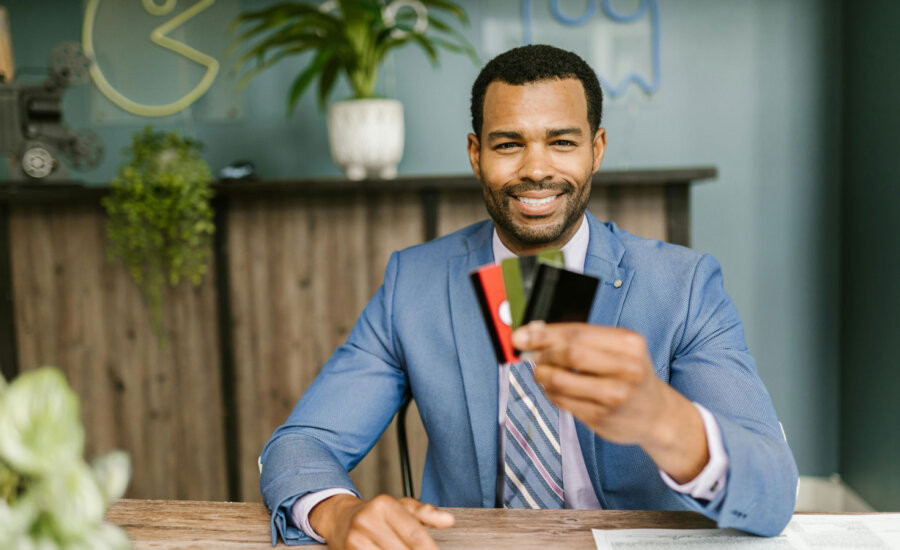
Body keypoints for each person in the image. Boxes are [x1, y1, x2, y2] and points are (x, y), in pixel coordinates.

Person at [260, 44, 798, 548]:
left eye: (562, 141)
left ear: (597, 149)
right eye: (508, 144)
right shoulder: (413, 284)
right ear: (476, 154)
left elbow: (773, 492)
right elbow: (302, 443)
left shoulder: (683, 287)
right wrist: (339, 514)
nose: (536, 169)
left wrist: (665, 420)